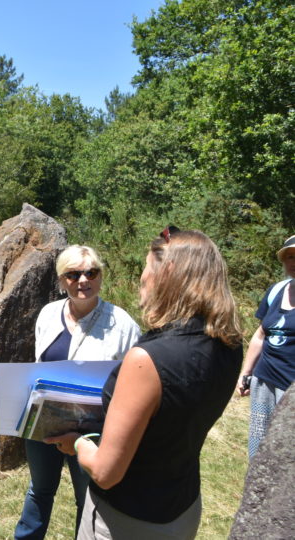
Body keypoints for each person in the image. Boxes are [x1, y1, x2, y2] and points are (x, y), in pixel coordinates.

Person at [48, 228, 243, 539]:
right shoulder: (229, 344)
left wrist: (79, 444)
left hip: (125, 519)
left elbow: (105, 472)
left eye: (146, 266)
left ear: (167, 275)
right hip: (183, 508)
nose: (140, 277)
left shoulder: (146, 360)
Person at [14, 245, 141, 540]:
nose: (83, 280)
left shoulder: (123, 325)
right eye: (73, 274)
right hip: (45, 421)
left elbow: (131, 383)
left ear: (100, 276)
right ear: (61, 281)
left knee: (88, 499)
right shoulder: (47, 315)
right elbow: (38, 367)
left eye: (91, 272)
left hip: (92, 429)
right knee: (39, 489)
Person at [236, 234, 295, 458]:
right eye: (289, 256)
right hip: (264, 380)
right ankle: (257, 488)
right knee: (259, 441)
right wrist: (246, 373)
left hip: (291, 386)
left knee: (287, 449)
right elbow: (261, 334)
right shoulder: (277, 291)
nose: (293, 262)